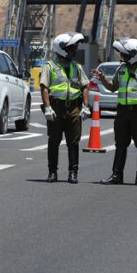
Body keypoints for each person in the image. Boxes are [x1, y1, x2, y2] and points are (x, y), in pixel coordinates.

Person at [91, 38, 137, 187]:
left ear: (134, 54)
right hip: (123, 111)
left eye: (124, 54)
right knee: (120, 144)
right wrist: (102, 79)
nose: (122, 57)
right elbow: (113, 87)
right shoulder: (121, 69)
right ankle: (116, 175)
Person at [40, 32, 90, 184]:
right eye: (71, 48)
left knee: (73, 142)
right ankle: (52, 172)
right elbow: (44, 88)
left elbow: (85, 86)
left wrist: (85, 106)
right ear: (61, 49)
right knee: (53, 141)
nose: (74, 51)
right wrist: (48, 108)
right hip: (56, 108)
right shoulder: (50, 67)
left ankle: (73, 173)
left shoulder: (77, 67)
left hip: (74, 108)